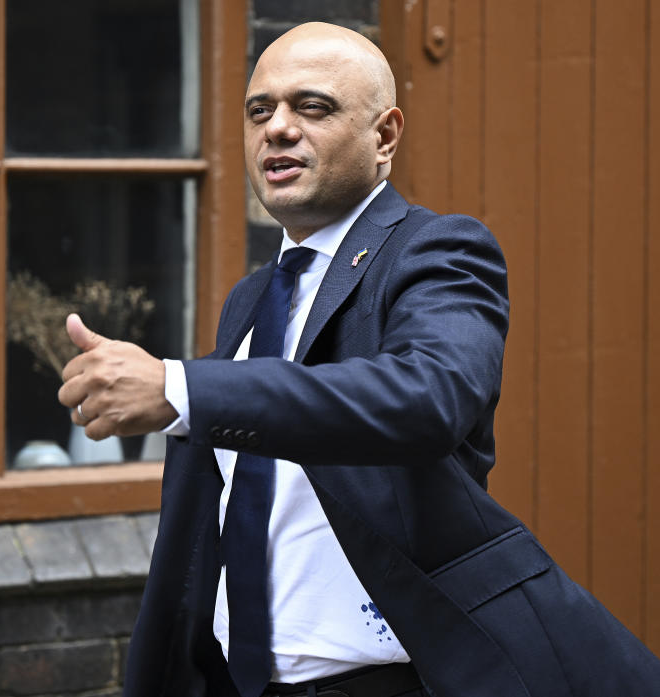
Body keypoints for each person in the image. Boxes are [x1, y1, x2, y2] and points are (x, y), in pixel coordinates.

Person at [58, 21, 660, 697]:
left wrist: (179, 387)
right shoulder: (252, 297)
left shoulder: (438, 252)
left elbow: (425, 397)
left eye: (310, 107)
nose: (276, 129)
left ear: (385, 136)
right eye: (260, 110)